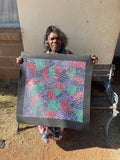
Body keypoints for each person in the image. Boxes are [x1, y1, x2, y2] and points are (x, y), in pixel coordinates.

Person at [16, 25, 98, 144]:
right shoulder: (43, 56)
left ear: (62, 41)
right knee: (41, 106)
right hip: (47, 94)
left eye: (57, 38)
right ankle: (45, 128)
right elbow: (36, 75)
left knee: (58, 132)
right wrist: (22, 63)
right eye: (52, 39)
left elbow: (77, 72)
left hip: (63, 95)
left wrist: (91, 60)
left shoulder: (69, 55)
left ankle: (55, 130)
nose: (55, 41)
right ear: (48, 42)